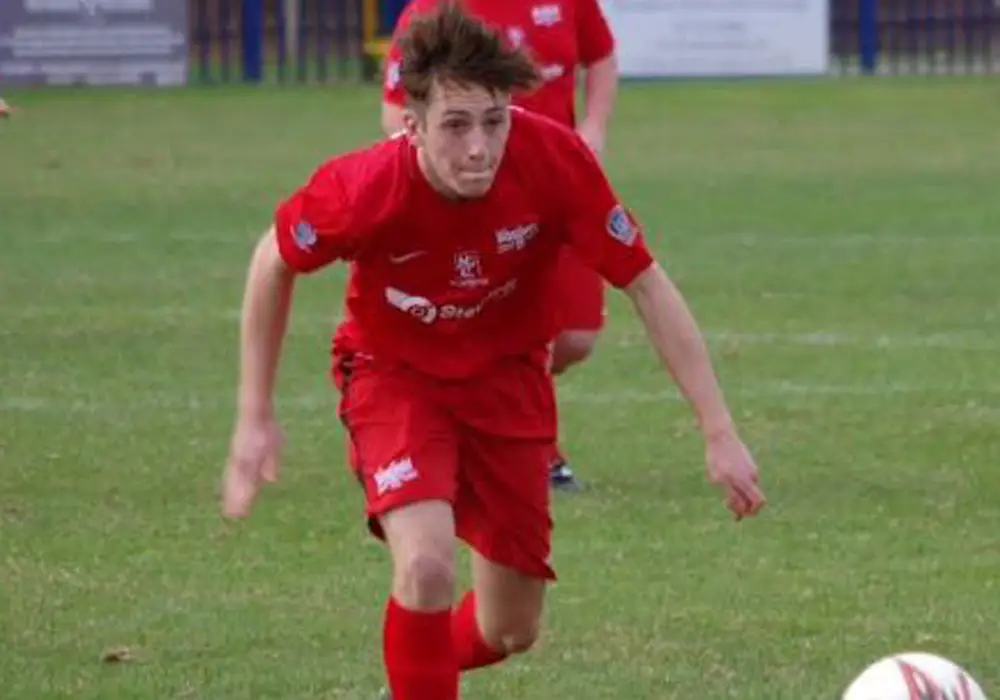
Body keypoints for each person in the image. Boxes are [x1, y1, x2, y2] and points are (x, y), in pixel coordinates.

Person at [221, 4, 766, 699]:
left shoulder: (553, 160)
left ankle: (412, 674)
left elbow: (647, 284)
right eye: (455, 125)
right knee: (426, 568)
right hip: (396, 377)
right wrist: (253, 415)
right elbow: (273, 260)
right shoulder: (365, 188)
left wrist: (719, 432)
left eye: (494, 120)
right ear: (411, 125)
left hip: (508, 383)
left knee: (512, 629)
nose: (479, 147)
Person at [380, 0, 620, 493]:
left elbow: (602, 55)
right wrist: (453, 169)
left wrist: (593, 128)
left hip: (559, 191)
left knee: (577, 334)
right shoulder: (432, 11)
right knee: (529, 329)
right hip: (482, 205)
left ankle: (474, 412)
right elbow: (394, 111)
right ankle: (540, 455)